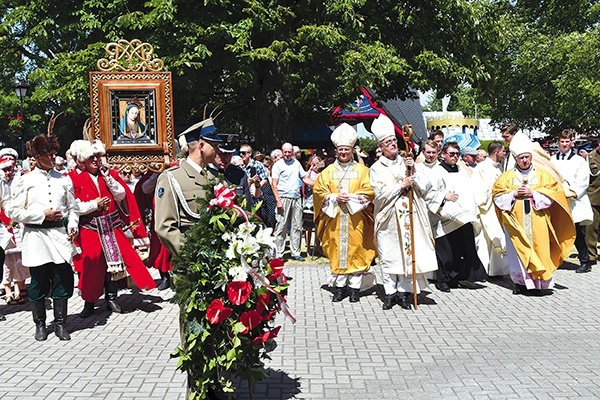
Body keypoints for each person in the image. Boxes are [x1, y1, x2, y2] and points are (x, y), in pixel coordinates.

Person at [7, 134, 79, 340]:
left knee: (62, 280)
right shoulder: (24, 181)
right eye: (47, 153)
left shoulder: (64, 179)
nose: (52, 156)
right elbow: (14, 211)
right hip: (36, 237)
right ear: (36, 156)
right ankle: (40, 323)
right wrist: (40, 215)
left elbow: (73, 208)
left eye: (53, 152)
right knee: (38, 282)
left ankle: (61, 324)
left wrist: (73, 224)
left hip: (59, 237)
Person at [73, 140, 156, 318]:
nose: (96, 160)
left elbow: (121, 195)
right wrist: (94, 205)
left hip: (111, 226)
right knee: (92, 265)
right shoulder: (76, 179)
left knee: (116, 263)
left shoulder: (109, 175)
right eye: (91, 157)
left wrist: (109, 178)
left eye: (97, 156)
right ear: (83, 161)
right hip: (91, 228)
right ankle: (89, 302)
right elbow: (74, 207)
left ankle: (111, 298)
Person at [369, 114, 438, 310]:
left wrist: (414, 171)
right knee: (389, 254)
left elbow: (426, 187)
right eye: (387, 142)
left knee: (407, 253)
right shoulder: (375, 168)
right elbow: (379, 194)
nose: (392, 144)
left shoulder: (407, 161)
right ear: (380, 147)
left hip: (410, 216)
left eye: (393, 140)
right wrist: (401, 185)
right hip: (388, 217)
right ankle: (390, 293)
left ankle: (405, 292)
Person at [493, 136, 576, 295]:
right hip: (516, 223)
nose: (524, 160)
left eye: (527, 157)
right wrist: (514, 195)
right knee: (518, 253)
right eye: (521, 158)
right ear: (515, 159)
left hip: (539, 221)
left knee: (540, 250)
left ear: (531, 157)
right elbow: (497, 196)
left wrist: (533, 193)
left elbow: (554, 195)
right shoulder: (506, 177)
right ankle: (522, 284)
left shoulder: (543, 176)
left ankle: (541, 284)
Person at [312, 123, 376, 303]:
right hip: (336, 219)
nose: (343, 153)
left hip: (356, 219)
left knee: (356, 250)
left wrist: (353, 198)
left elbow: (370, 191)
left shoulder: (363, 171)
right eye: (340, 149)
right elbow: (318, 192)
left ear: (352, 150)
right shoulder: (328, 172)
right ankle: (339, 288)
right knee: (337, 250)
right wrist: (333, 197)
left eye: (346, 149)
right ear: (336, 150)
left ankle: (355, 289)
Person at [154, 117, 223, 256]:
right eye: (214, 145)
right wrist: (191, 255)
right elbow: (164, 227)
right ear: (201, 146)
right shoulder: (172, 178)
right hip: (192, 265)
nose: (218, 149)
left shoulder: (215, 177)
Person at [430, 141, 487, 292]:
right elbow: (429, 192)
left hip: (463, 216)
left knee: (461, 249)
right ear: (443, 155)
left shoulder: (462, 171)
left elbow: (469, 191)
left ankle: (456, 278)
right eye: (451, 154)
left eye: (457, 154)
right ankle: (442, 280)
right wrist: (443, 196)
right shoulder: (437, 171)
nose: (455, 157)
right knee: (445, 252)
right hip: (445, 216)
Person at [550, 129, 593, 273]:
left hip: (574, 201)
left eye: (567, 142)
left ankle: (585, 261)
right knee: (558, 232)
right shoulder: (553, 160)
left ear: (572, 143)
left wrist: (573, 192)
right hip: (558, 201)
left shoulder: (578, 161)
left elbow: (583, 180)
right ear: (558, 142)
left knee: (577, 233)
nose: (564, 144)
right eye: (562, 142)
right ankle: (558, 259)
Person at [471, 141, 510, 277]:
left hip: (498, 208)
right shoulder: (481, 168)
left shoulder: (499, 167)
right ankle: (486, 270)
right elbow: (476, 188)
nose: (505, 154)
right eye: (504, 151)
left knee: (499, 237)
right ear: (497, 152)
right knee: (485, 240)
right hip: (486, 208)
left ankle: (498, 271)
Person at [271, 143, 315, 261]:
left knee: (297, 226)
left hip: (296, 197)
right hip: (283, 197)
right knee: (281, 226)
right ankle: (279, 253)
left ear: (292, 152)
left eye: (289, 152)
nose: (287, 154)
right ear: (282, 152)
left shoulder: (296, 164)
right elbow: (274, 184)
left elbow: (304, 178)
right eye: (285, 152)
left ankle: (295, 252)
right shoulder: (277, 165)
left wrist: (318, 184)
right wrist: (278, 200)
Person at [1, 153, 29, 306]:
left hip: (17, 224)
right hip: (3, 226)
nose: (8, 173)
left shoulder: (18, 181)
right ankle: (7, 291)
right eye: (4, 170)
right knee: (6, 261)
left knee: (19, 259)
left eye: (10, 169)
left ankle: (19, 289)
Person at [240, 143, 277, 228]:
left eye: (243, 153)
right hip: (244, 199)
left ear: (249, 153)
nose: (241, 155)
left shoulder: (258, 165)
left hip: (256, 200)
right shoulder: (240, 166)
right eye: (240, 153)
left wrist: (256, 185)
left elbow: (265, 179)